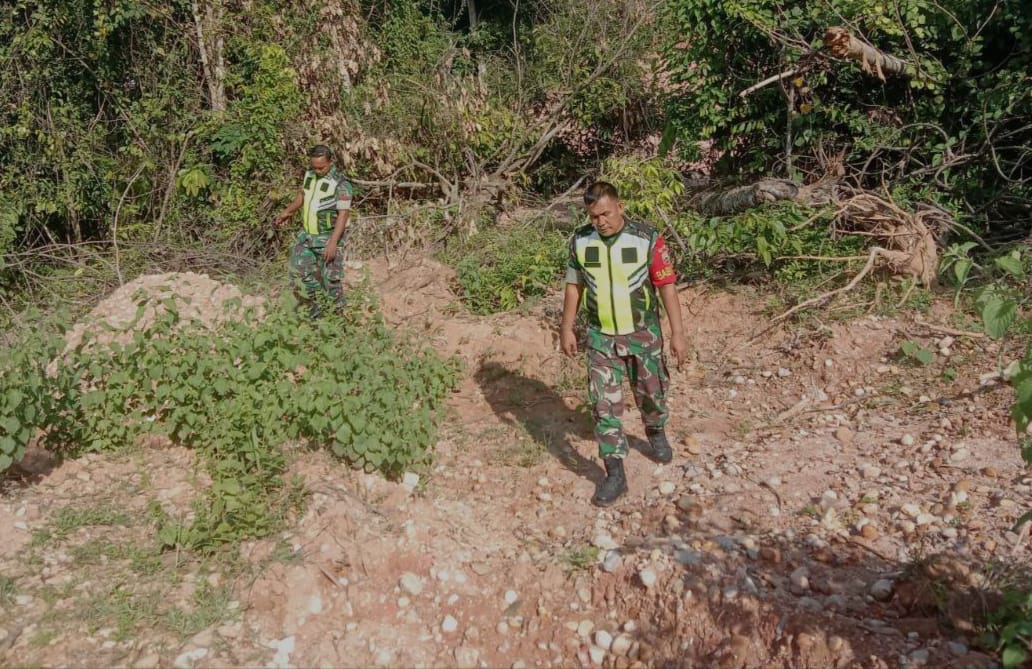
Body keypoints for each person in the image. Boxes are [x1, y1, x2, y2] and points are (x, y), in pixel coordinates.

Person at [560, 181, 687, 506]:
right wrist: (567, 328)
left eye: (606, 214)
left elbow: (666, 286)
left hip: (643, 335)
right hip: (600, 338)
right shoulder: (581, 241)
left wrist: (677, 333)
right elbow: (574, 286)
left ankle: (655, 430)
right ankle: (614, 473)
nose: (601, 222)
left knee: (651, 394)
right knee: (603, 406)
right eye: (594, 216)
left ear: (620, 207)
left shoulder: (647, 239)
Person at [275, 145, 353, 318]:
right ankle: (316, 311)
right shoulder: (309, 175)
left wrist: (333, 243)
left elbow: (343, 214)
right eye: (314, 167)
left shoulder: (341, 184)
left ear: (330, 163)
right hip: (307, 237)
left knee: (331, 281)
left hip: (328, 237)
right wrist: (287, 212)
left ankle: (337, 319)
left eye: (321, 168)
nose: (317, 171)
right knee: (298, 273)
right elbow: (302, 196)